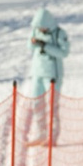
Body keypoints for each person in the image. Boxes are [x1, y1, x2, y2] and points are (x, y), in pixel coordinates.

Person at [26, 8, 70, 144]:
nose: (42, 31)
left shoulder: (59, 34)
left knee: (52, 106)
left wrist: (46, 46)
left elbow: (64, 53)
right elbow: (30, 46)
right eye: (39, 28)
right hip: (37, 72)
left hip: (52, 75)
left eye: (44, 28)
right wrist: (34, 42)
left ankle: (53, 135)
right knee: (37, 104)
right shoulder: (36, 31)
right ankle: (40, 133)